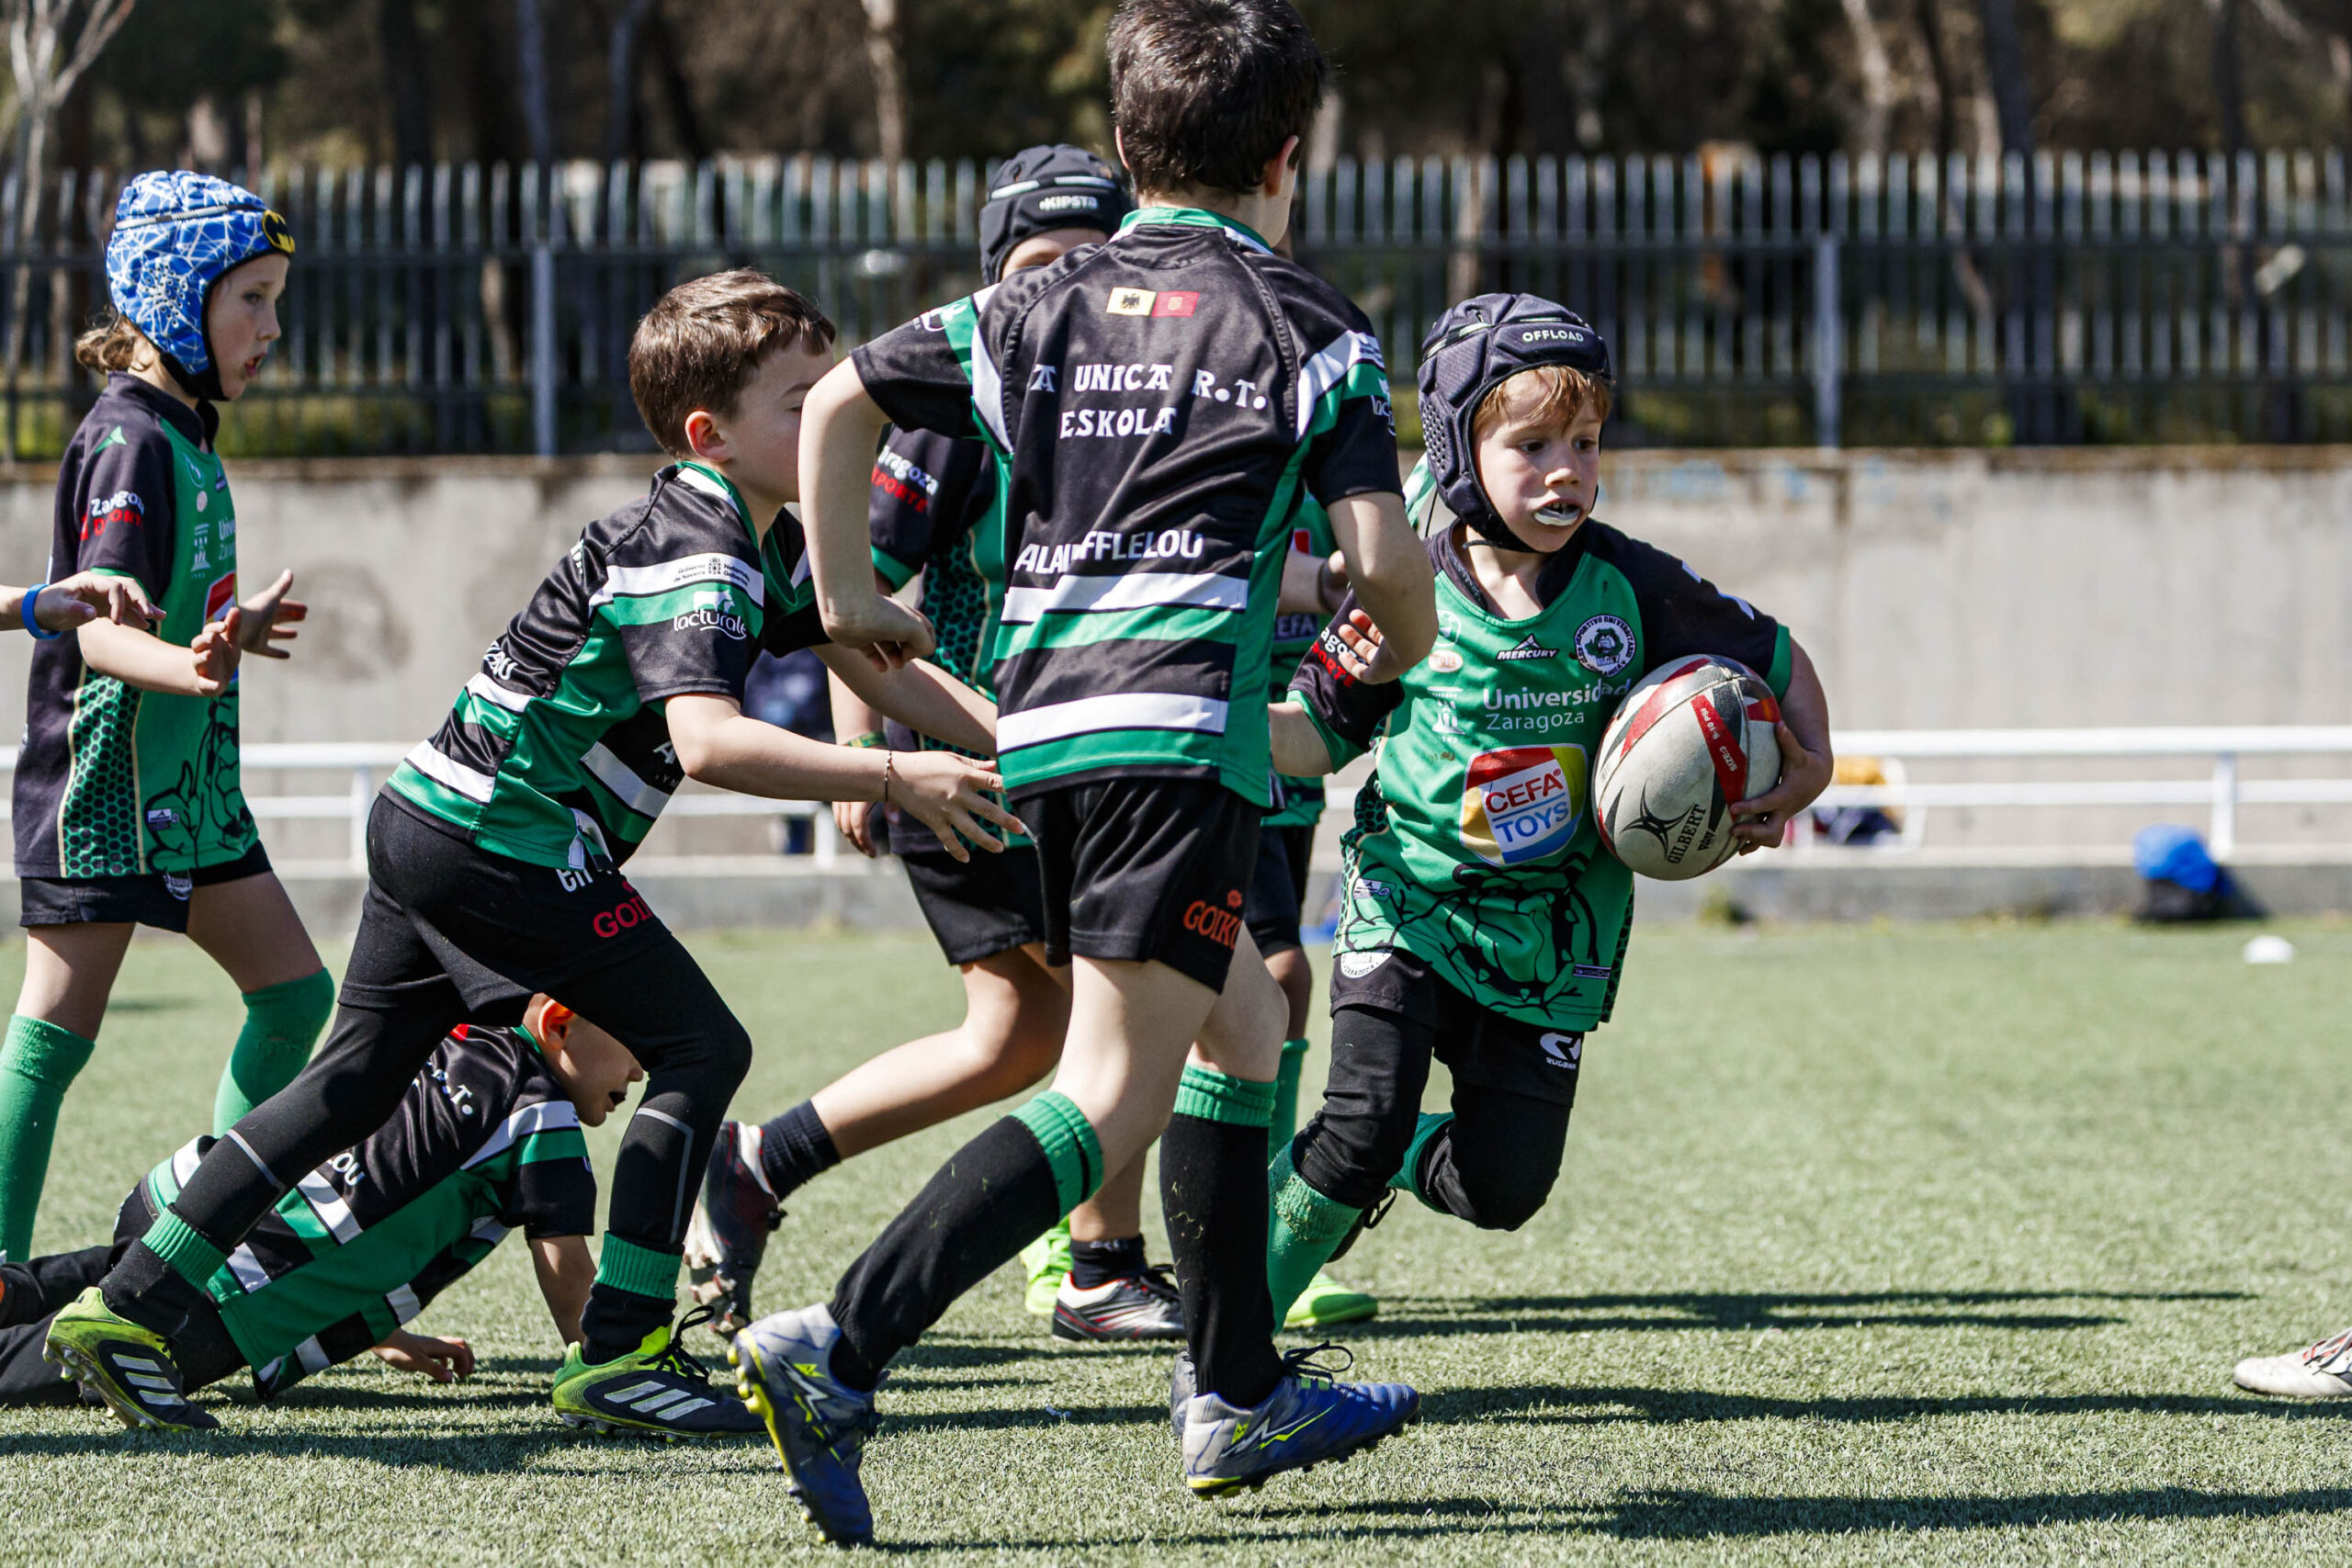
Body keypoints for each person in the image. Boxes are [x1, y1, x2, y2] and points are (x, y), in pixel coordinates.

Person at [45, 269, 1021, 1436]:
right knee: (703, 1047)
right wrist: (891, 771)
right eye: (800, 401)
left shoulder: (745, 532)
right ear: (711, 434)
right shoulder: (704, 551)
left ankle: (129, 1302)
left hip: (428, 816)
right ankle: (622, 1350)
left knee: (354, 1079)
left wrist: (1027, 748)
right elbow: (706, 743)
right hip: (494, 841)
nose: (831, 420)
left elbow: (865, 648)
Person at [729, 0, 1438, 1543]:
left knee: (1242, 1022)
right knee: (1105, 1089)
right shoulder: (1312, 325)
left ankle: (1234, 1385)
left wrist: (846, 601)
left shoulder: (1031, 305)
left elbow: (844, 400)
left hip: (1039, 738)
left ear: (1127, 149)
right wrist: (1401, 635)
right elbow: (1382, 567)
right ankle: (841, 1342)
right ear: (1286, 156)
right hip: (1173, 745)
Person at [1237, 295, 1833, 1367]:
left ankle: (1377, 1159)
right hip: (1408, 903)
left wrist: (1808, 769)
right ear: (1458, 450)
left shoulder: (1632, 584)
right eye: (1531, 445)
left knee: (1504, 1191)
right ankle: (1227, 1356)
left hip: (1550, 939)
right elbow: (1315, 739)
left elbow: (1778, 658)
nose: (1567, 470)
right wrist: (1211, 723)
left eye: (1587, 443)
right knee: (1357, 1123)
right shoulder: (1402, 588)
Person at [690, 144, 1194, 1346]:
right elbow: (848, 581)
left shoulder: (1132, 411)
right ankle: (1102, 1262)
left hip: (1063, 760)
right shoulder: (963, 414)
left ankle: (758, 1161)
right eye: (1042, 261)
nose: (1072, 277)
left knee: (1014, 1036)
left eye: (1095, 257)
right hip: (982, 772)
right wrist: (865, 741)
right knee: (1120, 1005)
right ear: (995, 278)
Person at [1, 171, 329, 1269]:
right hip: (105, 793)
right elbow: (92, 628)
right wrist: (192, 667)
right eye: (253, 299)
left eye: (278, 299)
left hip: (189, 792)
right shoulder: (128, 440)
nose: (272, 328)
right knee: (52, 1038)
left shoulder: (187, 436)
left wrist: (219, 645)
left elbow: (171, 618)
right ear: (175, 298)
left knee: (293, 994)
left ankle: (202, 1245)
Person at [16, 997, 763, 1435]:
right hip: (237, 1299)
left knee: (72, 1284)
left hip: (188, 1208)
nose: (641, 1070)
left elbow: (374, 1186)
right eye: (636, 1046)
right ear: (561, 1023)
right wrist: (609, 1360)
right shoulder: (544, 1116)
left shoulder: (459, 1038)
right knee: (45, 1365)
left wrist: (383, 1329)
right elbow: (565, 1263)